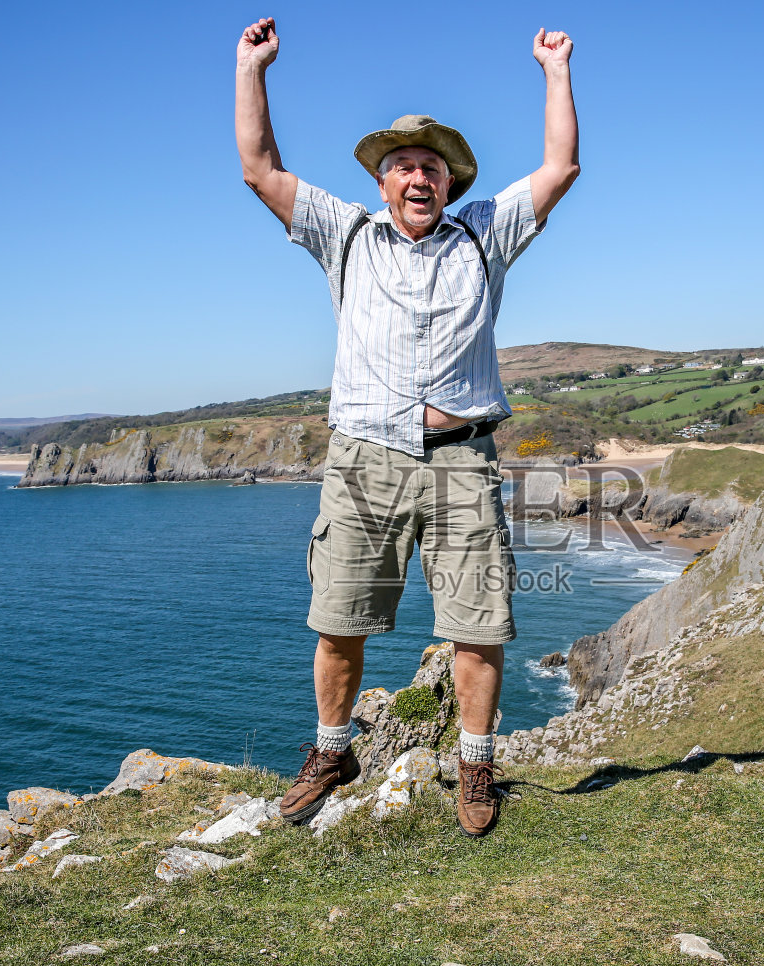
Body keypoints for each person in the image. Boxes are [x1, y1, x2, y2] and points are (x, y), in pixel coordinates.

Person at [234, 17, 579, 837]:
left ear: (449, 182)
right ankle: (332, 752)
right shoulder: (347, 234)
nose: (418, 177)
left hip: (462, 461)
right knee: (338, 619)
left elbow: (560, 166)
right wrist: (252, 68)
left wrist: (555, 70)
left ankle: (475, 765)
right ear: (382, 181)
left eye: (431, 166)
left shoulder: (484, 233)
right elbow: (259, 168)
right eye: (403, 166)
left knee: (478, 626)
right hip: (363, 459)